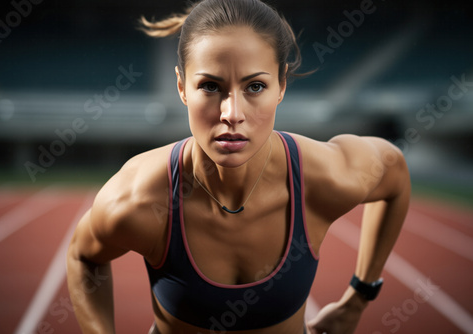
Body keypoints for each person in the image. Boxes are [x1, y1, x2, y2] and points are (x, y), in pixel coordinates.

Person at [66, 0, 411, 333]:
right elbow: (84, 257)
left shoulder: (326, 177)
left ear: (282, 87)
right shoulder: (137, 201)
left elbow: (394, 173)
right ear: (182, 88)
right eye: (210, 86)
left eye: (255, 86)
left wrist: (358, 297)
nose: (232, 114)